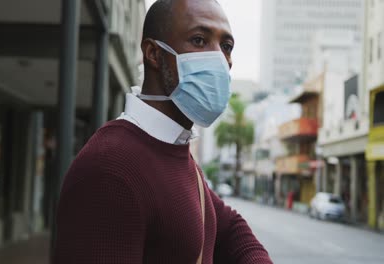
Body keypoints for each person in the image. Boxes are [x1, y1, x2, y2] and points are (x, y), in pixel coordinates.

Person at [53, 0, 273, 263]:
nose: (219, 60)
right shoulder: (110, 168)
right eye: (200, 40)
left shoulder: (176, 152)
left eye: (226, 47)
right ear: (153, 54)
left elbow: (227, 228)